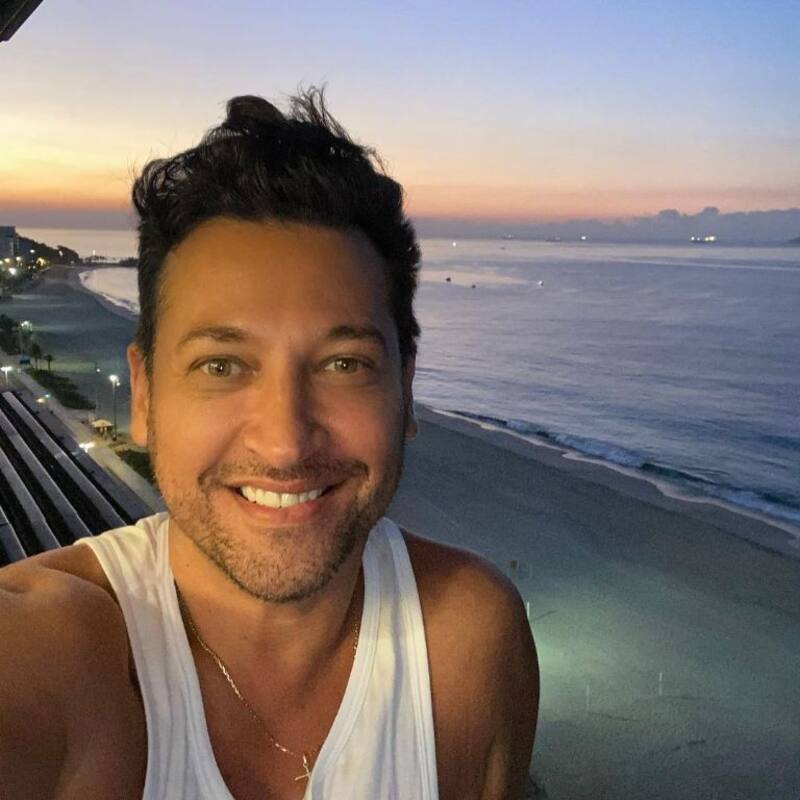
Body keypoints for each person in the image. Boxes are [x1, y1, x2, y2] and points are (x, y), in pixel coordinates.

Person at [0, 89, 539, 799]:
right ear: (145, 393)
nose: (285, 443)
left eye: (343, 364)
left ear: (406, 391)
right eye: (222, 366)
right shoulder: (45, 645)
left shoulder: (470, 645)